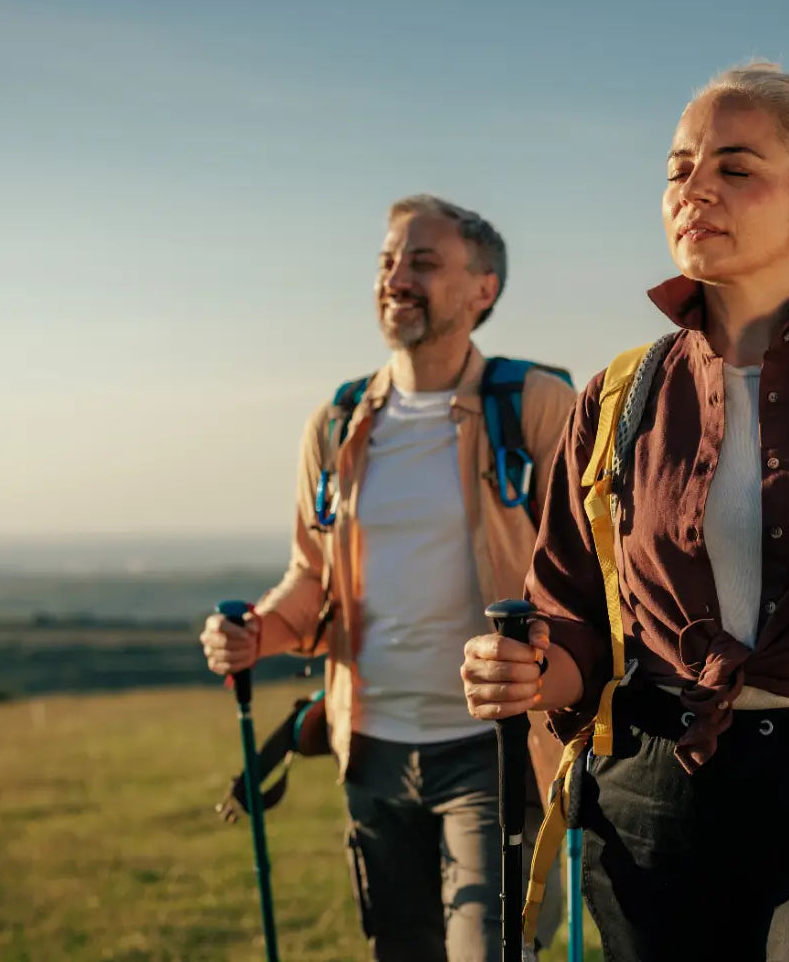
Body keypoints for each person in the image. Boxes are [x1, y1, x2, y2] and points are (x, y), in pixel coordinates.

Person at [462, 63, 789, 961]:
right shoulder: (617, 397)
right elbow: (573, 616)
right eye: (678, 168)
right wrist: (533, 671)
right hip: (652, 803)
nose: (694, 188)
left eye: (735, 168)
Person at [200, 194, 574, 961]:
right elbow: (313, 574)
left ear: (483, 289)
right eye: (387, 261)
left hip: (493, 746)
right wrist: (259, 632)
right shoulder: (339, 423)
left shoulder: (535, 406)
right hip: (369, 748)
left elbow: (585, 571)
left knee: (493, 951)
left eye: (423, 262)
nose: (396, 277)